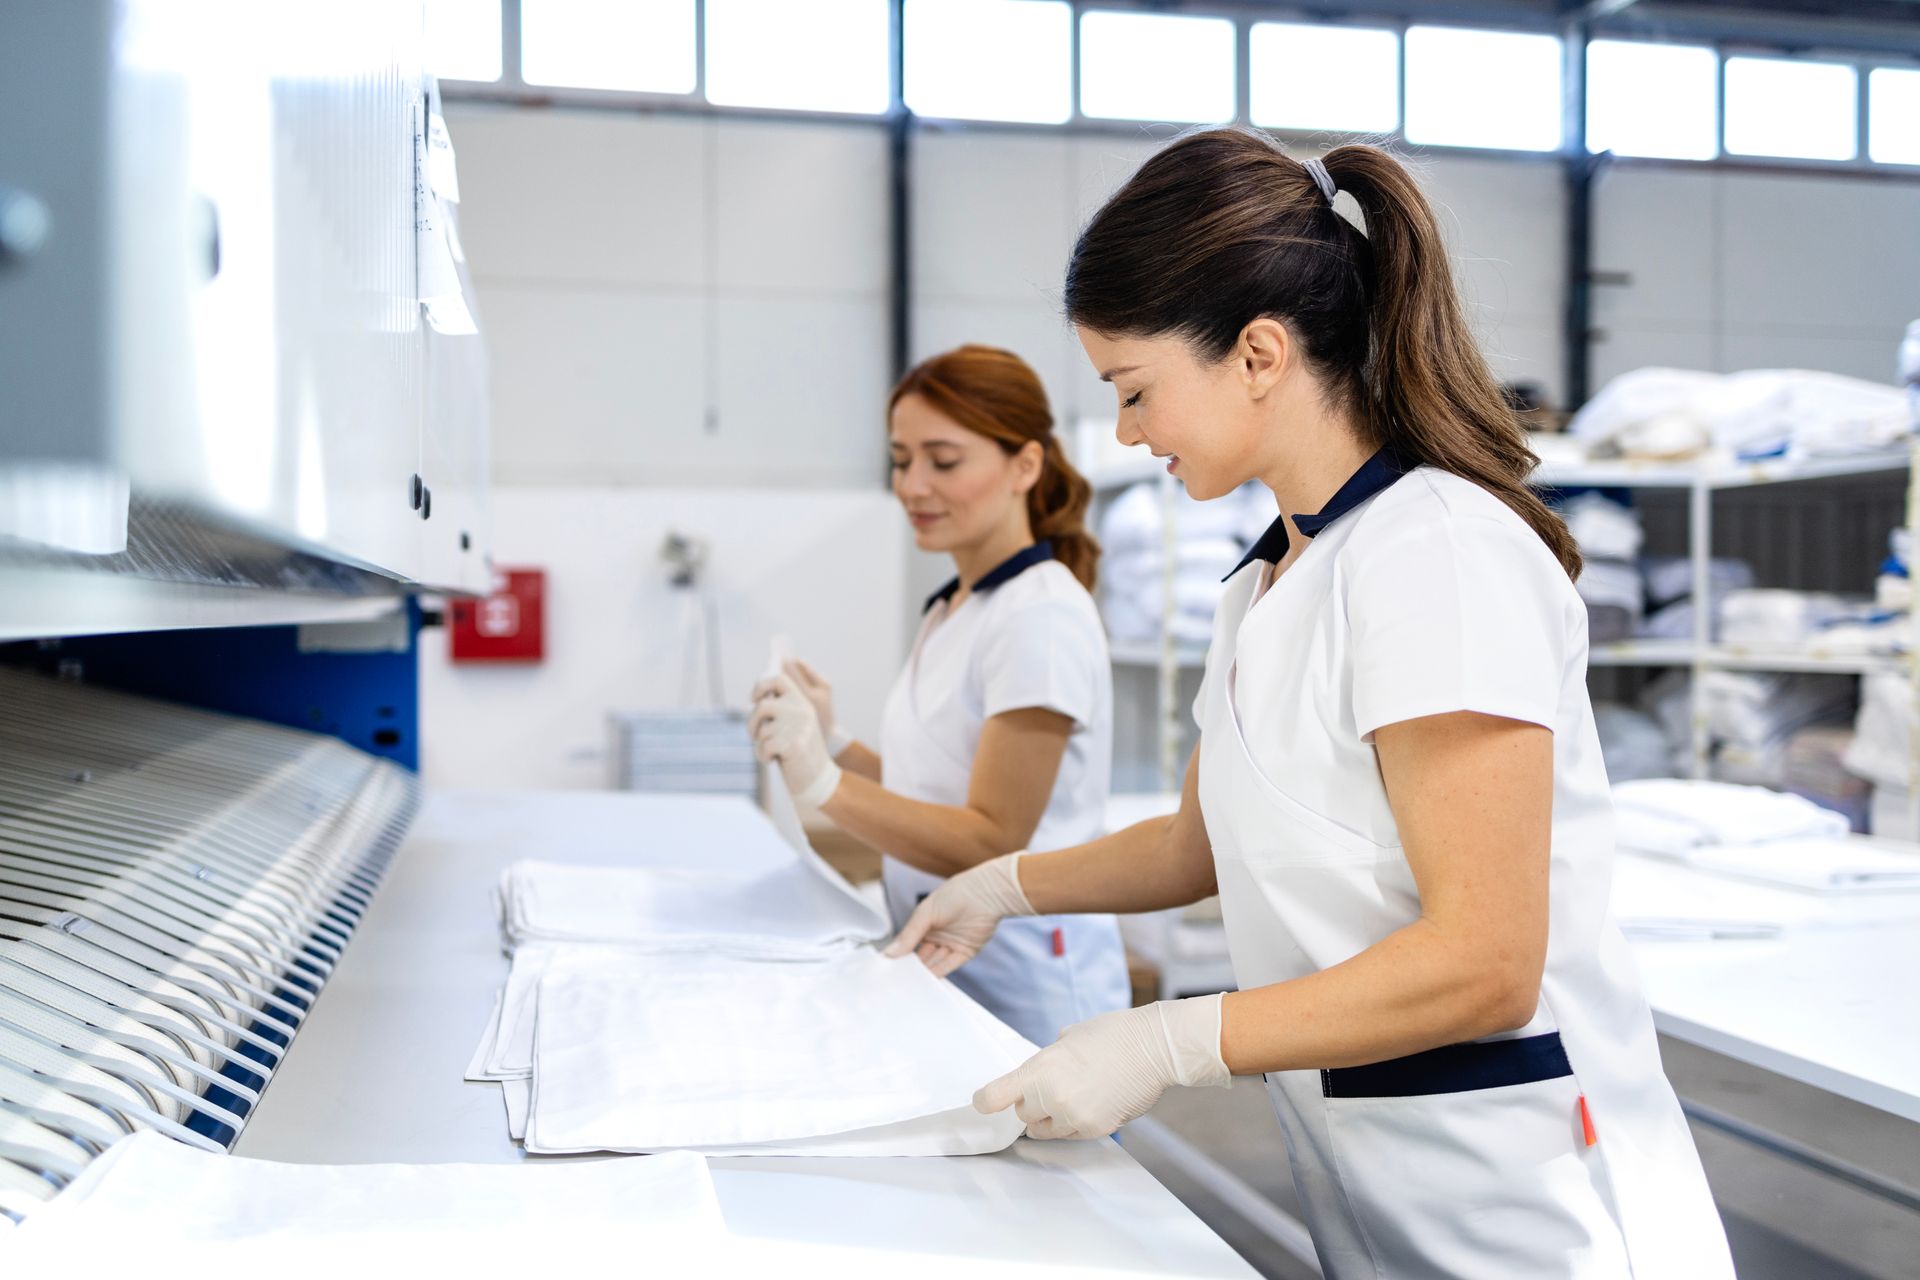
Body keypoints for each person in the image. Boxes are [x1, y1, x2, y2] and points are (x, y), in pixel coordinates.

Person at [887, 134, 1734, 1279]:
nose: (1129, 431)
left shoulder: (1438, 553)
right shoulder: (1270, 573)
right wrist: (1003, 882)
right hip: (1382, 1167)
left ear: (1259, 354)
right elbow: (1202, 842)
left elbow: (1486, 958)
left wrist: (1179, 1035)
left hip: (1534, 1201)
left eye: (1136, 390)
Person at [750, 344, 1130, 1048]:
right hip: (951, 962)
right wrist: (830, 742)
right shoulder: (956, 605)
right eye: (901, 460)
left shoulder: (1037, 617)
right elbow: (934, 788)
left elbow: (990, 835)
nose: (913, 486)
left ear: (1024, 465)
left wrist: (823, 782)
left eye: (944, 461)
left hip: (1027, 985)